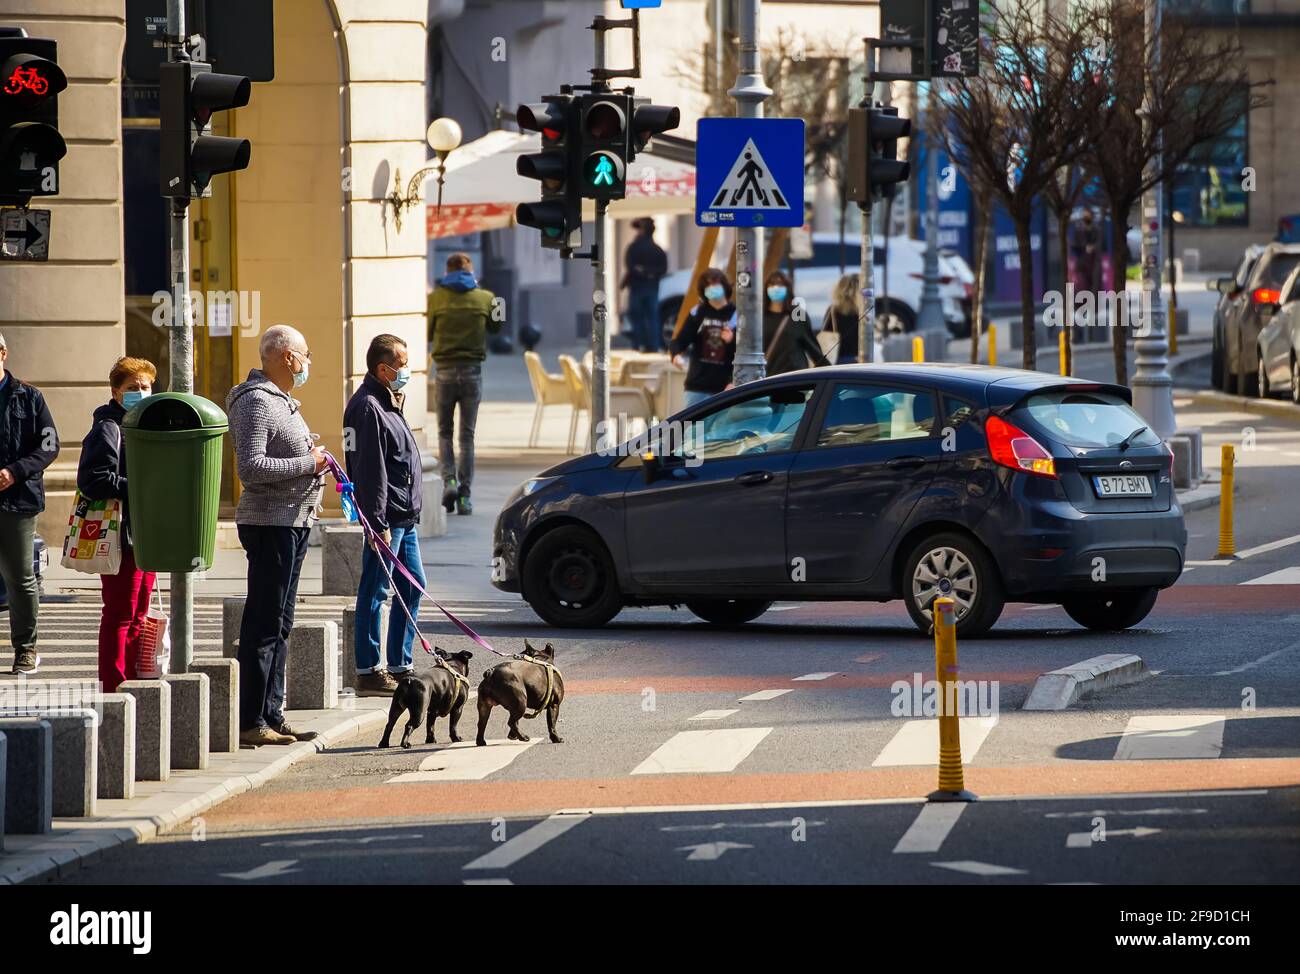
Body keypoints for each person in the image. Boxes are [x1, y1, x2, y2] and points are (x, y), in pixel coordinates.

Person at [226, 325, 327, 747]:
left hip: (293, 521)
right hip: (271, 524)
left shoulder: (282, 401)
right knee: (265, 623)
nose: (308, 363)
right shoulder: (255, 403)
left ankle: (273, 712)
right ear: (287, 357)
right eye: (305, 355)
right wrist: (308, 463)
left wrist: (314, 460)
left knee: (282, 621)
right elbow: (250, 468)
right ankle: (252, 719)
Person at [343, 334, 426, 696]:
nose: (407, 370)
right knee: (375, 591)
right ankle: (368, 671)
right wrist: (376, 524)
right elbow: (368, 471)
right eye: (402, 364)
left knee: (413, 585)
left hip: (404, 515)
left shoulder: (388, 401)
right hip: (387, 519)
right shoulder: (366, 407)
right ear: (383, 368)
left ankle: (400, 664)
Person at [78, 357, 158, 693]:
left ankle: (134, 686)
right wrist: (141, 486)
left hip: (146, 534)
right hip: (120, 535)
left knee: (139, 615)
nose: (140, 392)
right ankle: (114, 689)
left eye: (145, 386)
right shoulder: (108, 426)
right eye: (132, 388)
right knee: (120, 615)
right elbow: (94, 479)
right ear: (115, 392)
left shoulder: (144, 424)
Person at [0, 332, 59, 676]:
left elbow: (49, 446)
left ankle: (26, 647)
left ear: (4, 353)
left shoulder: (30, 397)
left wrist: (14, 472)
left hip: (18, 499)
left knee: (20, 576)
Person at [428, 252, 498, 516]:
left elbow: (426, 332)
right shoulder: (486, 297)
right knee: (467, 437)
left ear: (447, 271)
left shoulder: (435, 298)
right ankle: (466, 498)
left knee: (444, 433)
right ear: (470, 270)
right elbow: (497, 328)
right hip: (472, 373)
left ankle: (450, 482)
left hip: (444, 372)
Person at [668, 268, 736, 407]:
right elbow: (680, 341)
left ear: (724, 286)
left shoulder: (735, 315)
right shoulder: (697, 312)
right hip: (697, 386)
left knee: (719, 428)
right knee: (694, 428)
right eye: (707, 286)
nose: (711, 288)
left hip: (724, 387)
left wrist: (731, 341)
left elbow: (743, 353)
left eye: (715, 284)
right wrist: (675, 355)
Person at [762, 270, 830, 376]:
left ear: (787, 288)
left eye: (780, 284)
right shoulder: (760, 317)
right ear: (766, 289)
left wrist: (829, 371)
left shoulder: (797, 314)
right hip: (768, 378)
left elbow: (812, 347)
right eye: (771, 284)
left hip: (794, 377)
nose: (775, 288)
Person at [621, 217, 668, 352]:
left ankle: (638, 345)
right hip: (652, 287)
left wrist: (643, 271)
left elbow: (630, 266)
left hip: (637, 287)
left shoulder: (634, 248)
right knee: (653, 318)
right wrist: (651, 274)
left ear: (643, 230)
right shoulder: (658, 250)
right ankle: (654, 345)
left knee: (637, 317)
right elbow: (663, 269)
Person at [822, 273, 861, 364]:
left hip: (837, 360)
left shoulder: (833, 310)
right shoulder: (863, 311)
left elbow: (825, 335)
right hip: (859, 360)